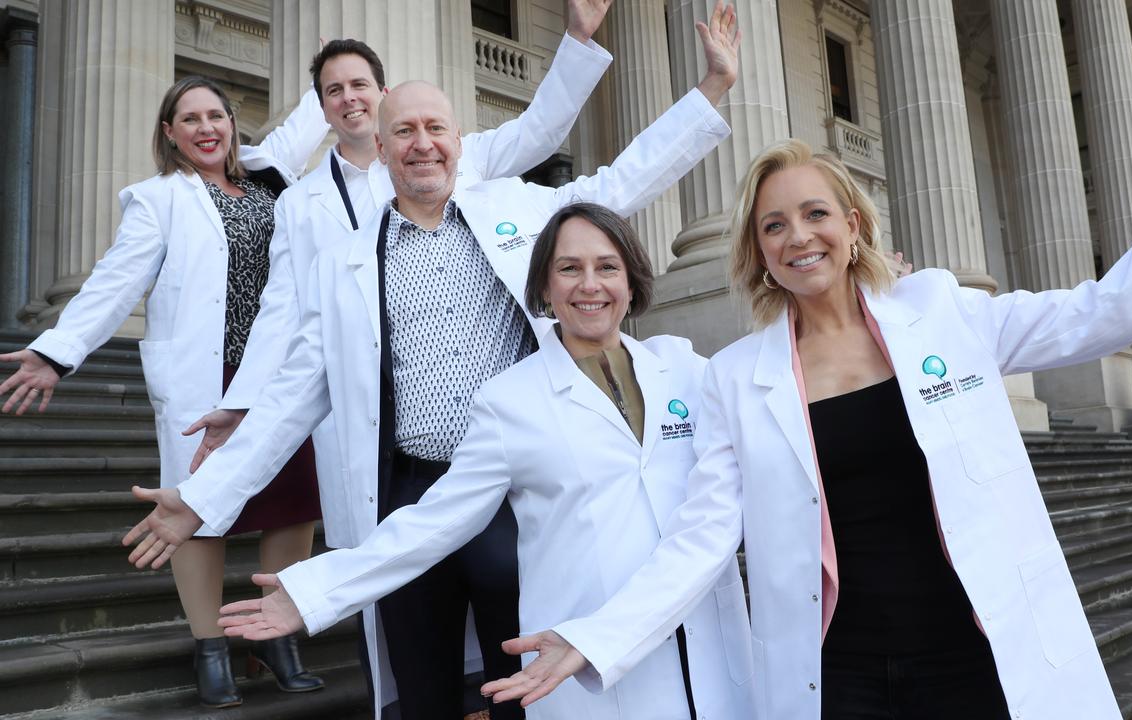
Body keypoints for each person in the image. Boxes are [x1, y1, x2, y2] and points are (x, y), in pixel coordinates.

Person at [471, 90, 1132, 720]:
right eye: (774, 225)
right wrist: (595, 639)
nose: (799, 237)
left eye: (816, 214)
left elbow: (1113, 311)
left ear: (853, 226)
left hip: (975, 649)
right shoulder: (737, 378)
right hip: (839, 672)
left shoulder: (946, 314)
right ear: (760, 252)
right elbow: (701, 540)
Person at [122, 4, 742, 718]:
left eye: (436, 129)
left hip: (515, 496)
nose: (423, 145)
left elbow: (618, 183)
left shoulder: (514, 215)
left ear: (458, 140)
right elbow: (294, 397)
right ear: (380, 148)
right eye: (405, 133)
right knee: (421, 684)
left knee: (527, 677)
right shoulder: (346, 265)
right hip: (408, 495)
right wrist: (203, 497)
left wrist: (712, 91)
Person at [211, 202, 754, 719]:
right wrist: (315, 592)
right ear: (543, 284)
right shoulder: (509, 400)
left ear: (631, 281)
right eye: (569, 268)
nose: (590, 285)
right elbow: (435, 521)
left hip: (705, 643)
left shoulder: (685, 368)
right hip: (576, 652)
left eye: (606, 267)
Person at [0, 76, 330, 707]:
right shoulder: (158, 200)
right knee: (197, 512)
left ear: (233, 123)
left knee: (294, 508)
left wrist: (335, 72)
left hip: (280, 378)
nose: (206, 128)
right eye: (190, 119)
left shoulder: (268, 178)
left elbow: (318, 110)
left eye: (216, 116)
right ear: (169, 133)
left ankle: (274, 634)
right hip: (205, 380)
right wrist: (55, 352)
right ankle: (210, 646)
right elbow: (113, 282)